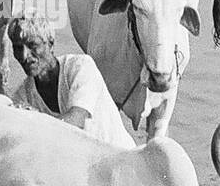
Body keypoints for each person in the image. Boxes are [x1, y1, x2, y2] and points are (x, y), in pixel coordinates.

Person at [7, 13, 135, 150]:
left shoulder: (80, 67)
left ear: (50, 44)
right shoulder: (22, 97)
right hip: (80, 166)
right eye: (17, 48)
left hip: (121, 157)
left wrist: (33, 133)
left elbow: (77, 119)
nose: (24, 55)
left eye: (32, 45)